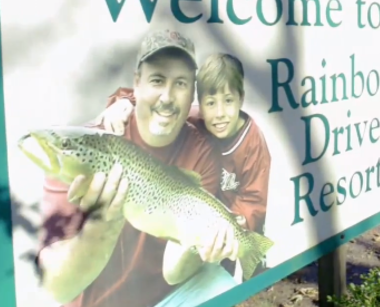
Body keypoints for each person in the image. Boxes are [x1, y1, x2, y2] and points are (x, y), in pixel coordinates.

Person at [37, 30, 240, 307]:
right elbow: (57, 286)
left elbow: (174, 272)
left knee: (228, 290)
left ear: (192, 93)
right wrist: (100, 226)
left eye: (181, 84)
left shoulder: (201, 150)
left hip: (172, 298)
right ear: (136, 83)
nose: (168, 97)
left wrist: (197, 245)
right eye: (157, 80)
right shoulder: (79, 150)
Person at [96, 52, 272, 280]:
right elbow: (159, 106)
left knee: (228, 265)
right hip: (196, 212)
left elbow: (254, 201)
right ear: (200, 103)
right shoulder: (195, 118)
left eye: (228, 101)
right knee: (194, 265)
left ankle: (250, 270)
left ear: (241, 99)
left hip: (232, 221)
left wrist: (235, 226)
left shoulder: (254, 144)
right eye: (210, 103)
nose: (219, 114)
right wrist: (123, 102)